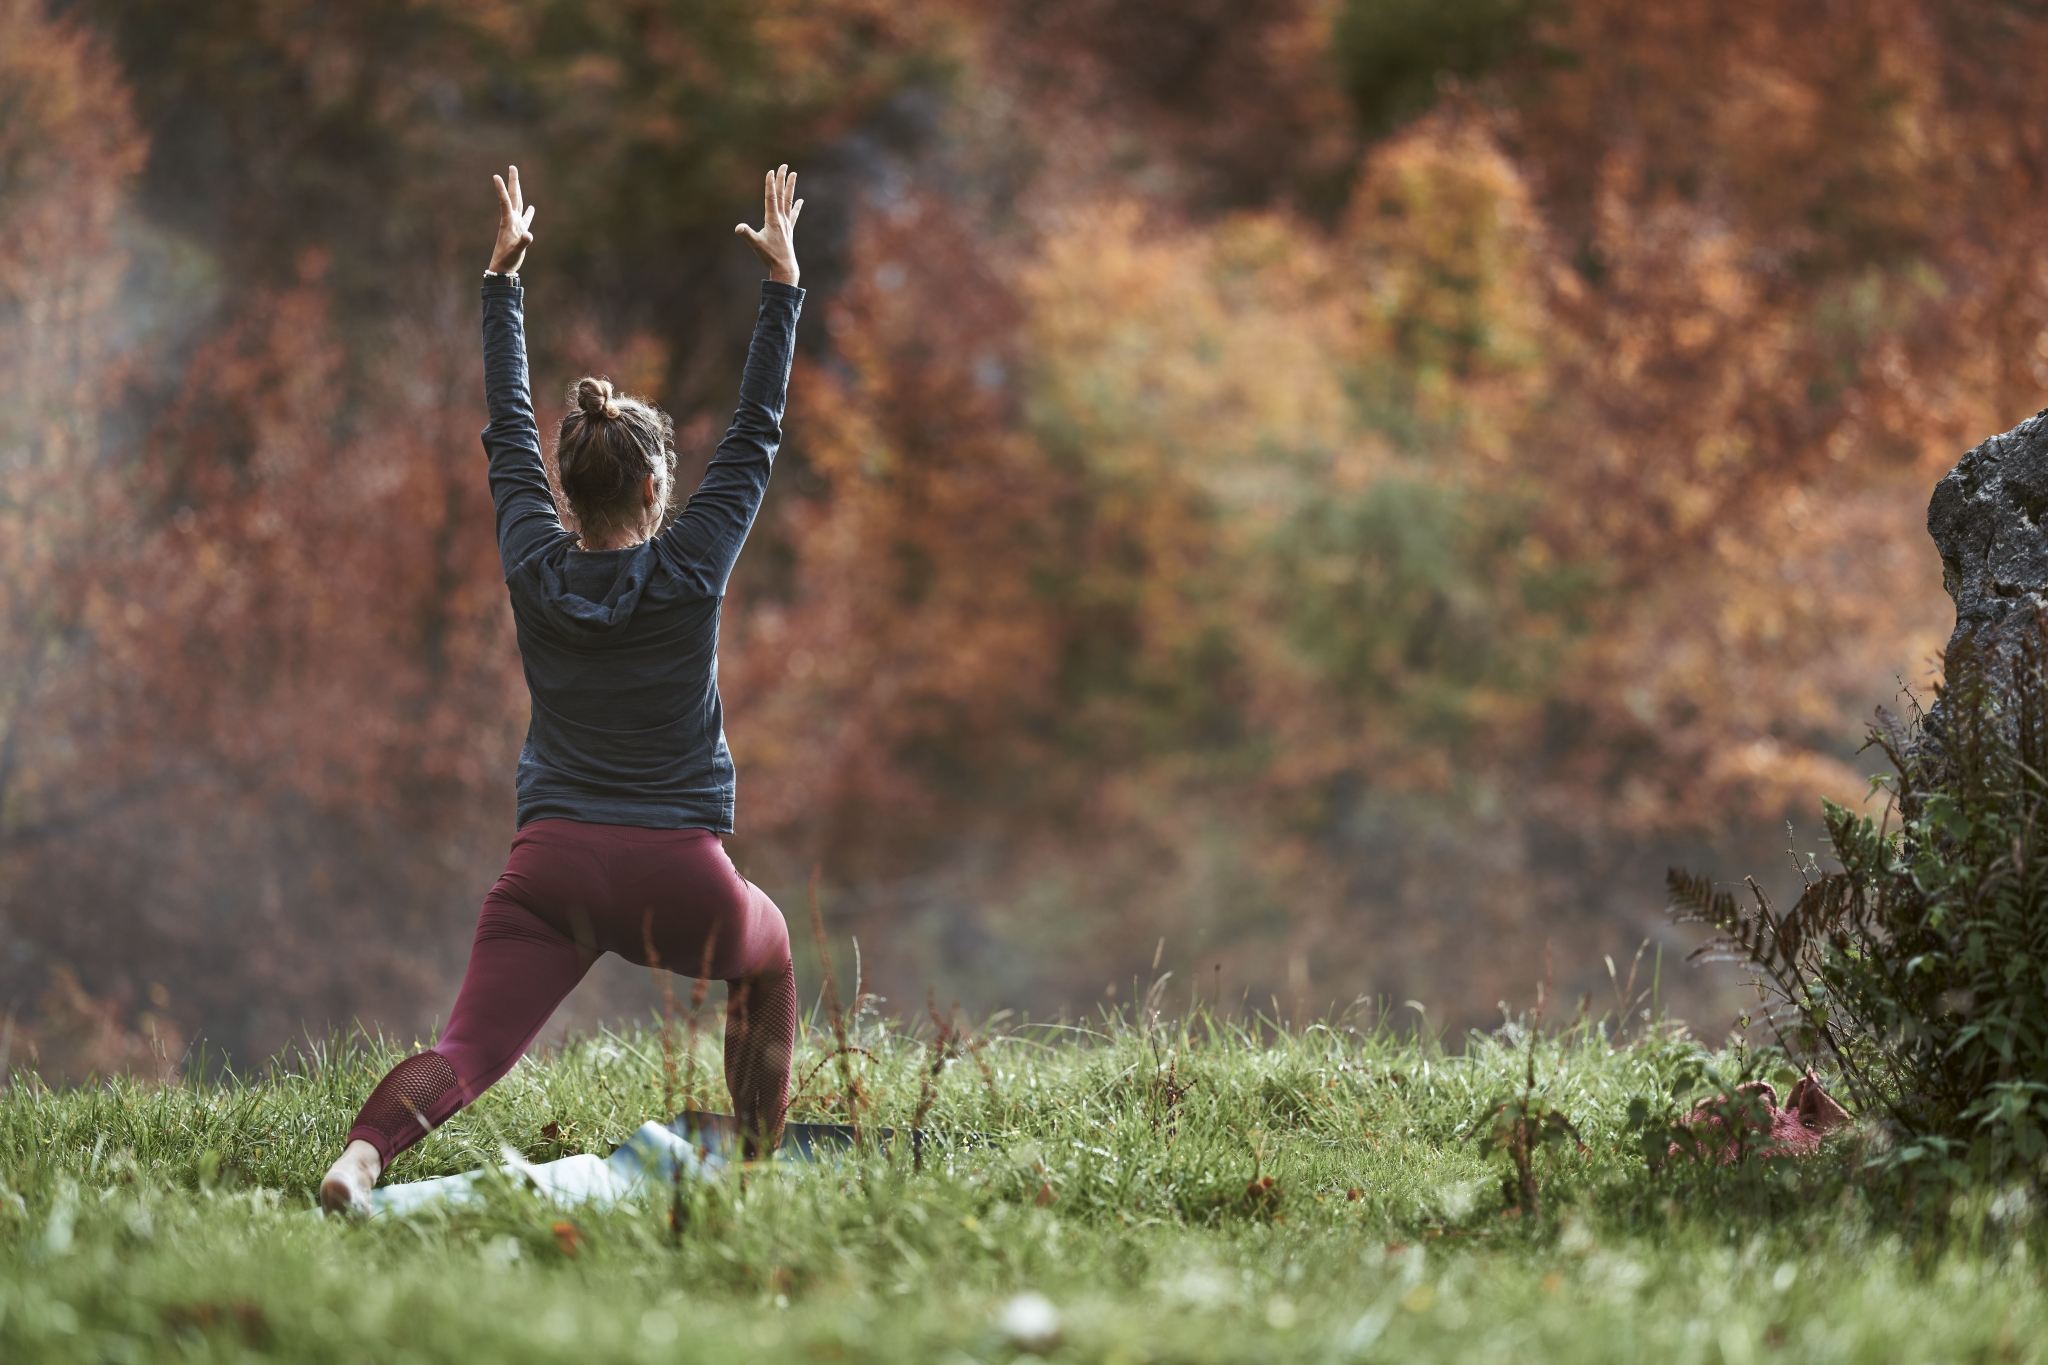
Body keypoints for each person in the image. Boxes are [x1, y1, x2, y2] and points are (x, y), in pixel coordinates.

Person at [320, 163, 807, 1215]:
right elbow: (756, 433)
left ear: (568, 487)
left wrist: (501, 284)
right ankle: (758, 1160)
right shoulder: (690, 569)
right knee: (764, 966)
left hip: (547, 872)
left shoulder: (534, 562)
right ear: (650, 487)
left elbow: (504, 430)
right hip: (681, 876)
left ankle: (359, 1160)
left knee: (466, 1048)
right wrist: (782, 288)